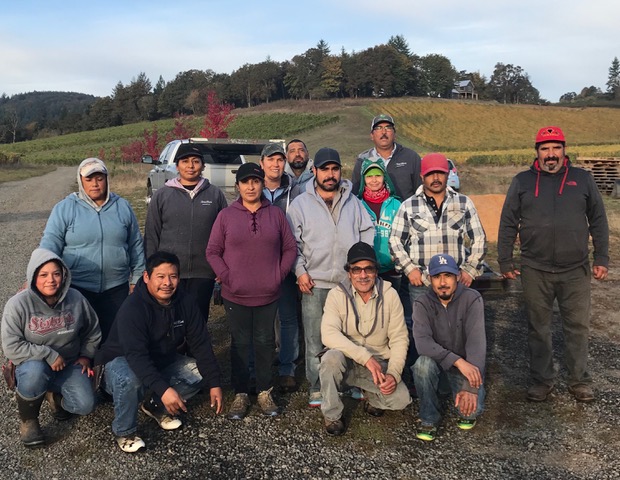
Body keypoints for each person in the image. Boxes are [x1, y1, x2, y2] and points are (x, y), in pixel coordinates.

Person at [498, 126, 609, 403]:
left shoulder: (582, 179)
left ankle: (579, 380)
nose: (551, 155)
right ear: (537, 152)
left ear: (564, 150)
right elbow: (508, 222)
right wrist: (504, 259)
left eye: (556, 148)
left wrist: (602, 258)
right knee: (539, 327)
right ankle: (542, 380)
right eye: (545, 149)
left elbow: (598, 219)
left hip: (576, 269)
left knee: (577, 327)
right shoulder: (522, 181)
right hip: (535, 268)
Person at [96, 251, 223, 453]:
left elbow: (201, 342)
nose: (167, 283)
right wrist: (164, 389)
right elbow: (136, 356)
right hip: (120, 362)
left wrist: (214, 383)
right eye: (160, 277)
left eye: (173, 276)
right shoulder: (133, 307)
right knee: (131, 378)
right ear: (146, 277)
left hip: (159, 360)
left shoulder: (185, 301)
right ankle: (125, 431)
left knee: (199, 372)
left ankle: (154, 405)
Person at [206, 162, 297, 420]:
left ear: (262, 184)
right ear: (238, 186)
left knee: (265, 342)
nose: (251, 186)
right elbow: (212, 251)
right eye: (245, 182)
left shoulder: (276, 215)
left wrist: (278, 275)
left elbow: (290, 248)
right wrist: (226, 277)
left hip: (268, 293)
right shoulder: (226, 216)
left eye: (255, 181)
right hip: (236, 294)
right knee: (240, 343)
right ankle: (241, 392)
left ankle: (265, 391)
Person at [287, 147, 375, 407]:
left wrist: (360, 268)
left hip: (348, 285)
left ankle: (351, 382)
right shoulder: (301, 204)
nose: (330, 174)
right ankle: (316, 386)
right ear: (314, 171)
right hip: (314, 283)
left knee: (352, 335)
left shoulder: (353, 202)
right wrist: (300, 271)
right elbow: (292, 243)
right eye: (324, 169)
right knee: (315, 337)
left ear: (340, 172)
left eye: (334, 169)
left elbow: (367, 231)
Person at [2, 248, 101, 447]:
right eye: (43, 275)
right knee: (34, 373)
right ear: (33, 276)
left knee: (86, 405)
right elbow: (11, 346)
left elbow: (93, 331)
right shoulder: (17, 304)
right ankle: (29, 421)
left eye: (56, 274)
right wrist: (47, 354)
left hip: (70, 363)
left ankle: (54, 396)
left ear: (64, 275)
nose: (51, 280)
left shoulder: (76, 299)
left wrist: (86, 356)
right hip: (33, 365)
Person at [40, 158, 145, 341]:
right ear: (81, 181)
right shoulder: (65, 208)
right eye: (89, 179)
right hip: (77, 288)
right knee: (80, 338)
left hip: (116, 287)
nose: (95, 184)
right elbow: (50, 244)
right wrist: (39, 274)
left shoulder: (122, 207)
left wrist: (137, 278)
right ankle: (86, 368)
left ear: (106, 179)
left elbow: (136, 244)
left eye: (99, 178)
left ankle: (112, 368)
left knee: (116, 338)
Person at [319, 242, 411, 436]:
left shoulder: (390, 295)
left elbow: (399, 338)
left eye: (368, 269)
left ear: (376, 271)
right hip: (347, 362)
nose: (363, 275)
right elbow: (328, 334)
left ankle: (371, 395)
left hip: (378, 364)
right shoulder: (336, 295)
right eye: (357, 270)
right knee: (330, 359)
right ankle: (333, 415)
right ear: (349, 272)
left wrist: (393, 374)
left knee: (401, 399)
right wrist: (364, 357)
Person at [144, 145, 227, 324]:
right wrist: (153, 269)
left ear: (203, 166)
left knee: (198, 318)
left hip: (204, 271)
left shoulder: (215, 195)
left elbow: (225, 234)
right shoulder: (162, 195)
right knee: (170, 319)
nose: (190, 166)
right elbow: (152, 234)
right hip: (169, 272)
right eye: (185, 161)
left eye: (196, 161)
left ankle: (196, 352)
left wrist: (221, 266)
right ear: (177, 166)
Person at [390, 152, 486, 297]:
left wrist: (470, 270)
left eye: (440, 173)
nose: (435, 178)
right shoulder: (408, 206)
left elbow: (479, 238)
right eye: (430, 174)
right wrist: (410, 269)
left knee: (455, 320)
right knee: (422, 320)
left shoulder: (463, 203)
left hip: (455, 282)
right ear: (422, 176)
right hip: (422, 283)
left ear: (448, 174)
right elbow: (395, 240)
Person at [412, 253, 486, 442]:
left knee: (471, 412)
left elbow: (477, 344)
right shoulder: (422, 302)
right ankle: (429, 417)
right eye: (437, 277)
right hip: (440, 364)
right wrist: (457, 361)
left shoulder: (472, 299)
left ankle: (453, 389)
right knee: (421, 364)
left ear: (458, 276)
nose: (442, 282)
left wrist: (470, 387)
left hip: (465, 368)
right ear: (430, 279)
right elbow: (422, 343)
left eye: (448, 276)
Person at [260, 143, 302, 393]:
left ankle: (287, 367)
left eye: (279, 160)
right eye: (271, 160)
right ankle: (263, 364)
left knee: (287, 317)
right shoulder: (253, 188)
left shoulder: (295, 191)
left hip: (286, 262)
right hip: (260, 265)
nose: (276, 165)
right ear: (262, 162)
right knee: (263, 318)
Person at [356, 158, 402, 289]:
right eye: (369, 176)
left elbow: (404, 236)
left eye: (378, 175)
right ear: (364, 179)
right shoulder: (357, 205)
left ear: (384, 177)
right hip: (366, 271)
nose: (374, 180)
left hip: (392, 270)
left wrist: (395, 258)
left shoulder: (396, 204)